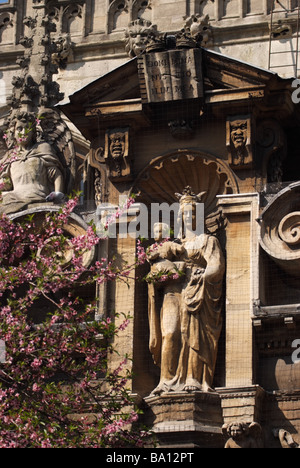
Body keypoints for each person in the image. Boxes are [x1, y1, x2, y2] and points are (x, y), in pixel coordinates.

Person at [147, 187, 225, 394]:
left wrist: (203, 276)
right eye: (184, 213)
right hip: (172, 292)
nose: (188, 216)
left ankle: (194, 378)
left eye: (192, 213)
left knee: (194, 335)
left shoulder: (209, 241)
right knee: (170, 334)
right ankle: (166, 381)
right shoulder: (169, 245)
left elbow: (216, 266)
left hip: (198, 292)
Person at [0, 113, 64, 215]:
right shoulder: (9, 157)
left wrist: (57, 194)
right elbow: (6, 184)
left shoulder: (43, 148)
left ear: (33, 132)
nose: (24, 132)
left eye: (28, 129)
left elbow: (56, 174)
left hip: (37, 196)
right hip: (14, 198)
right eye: (19, 129)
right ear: (13, 133)